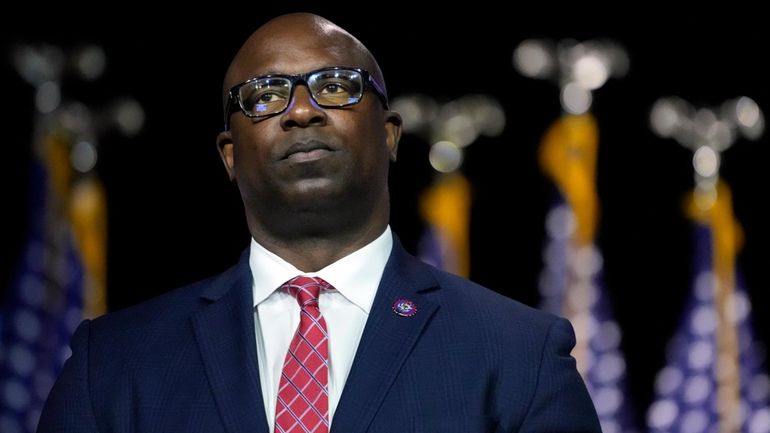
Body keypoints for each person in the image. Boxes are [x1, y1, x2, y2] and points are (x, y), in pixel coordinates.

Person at [37, 12, 601, 433]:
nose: (302, 110)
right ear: (230, 155)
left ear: (389, 134)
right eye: (265, 96)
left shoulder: (519, 354)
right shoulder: (112, 363)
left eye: (335, 86)